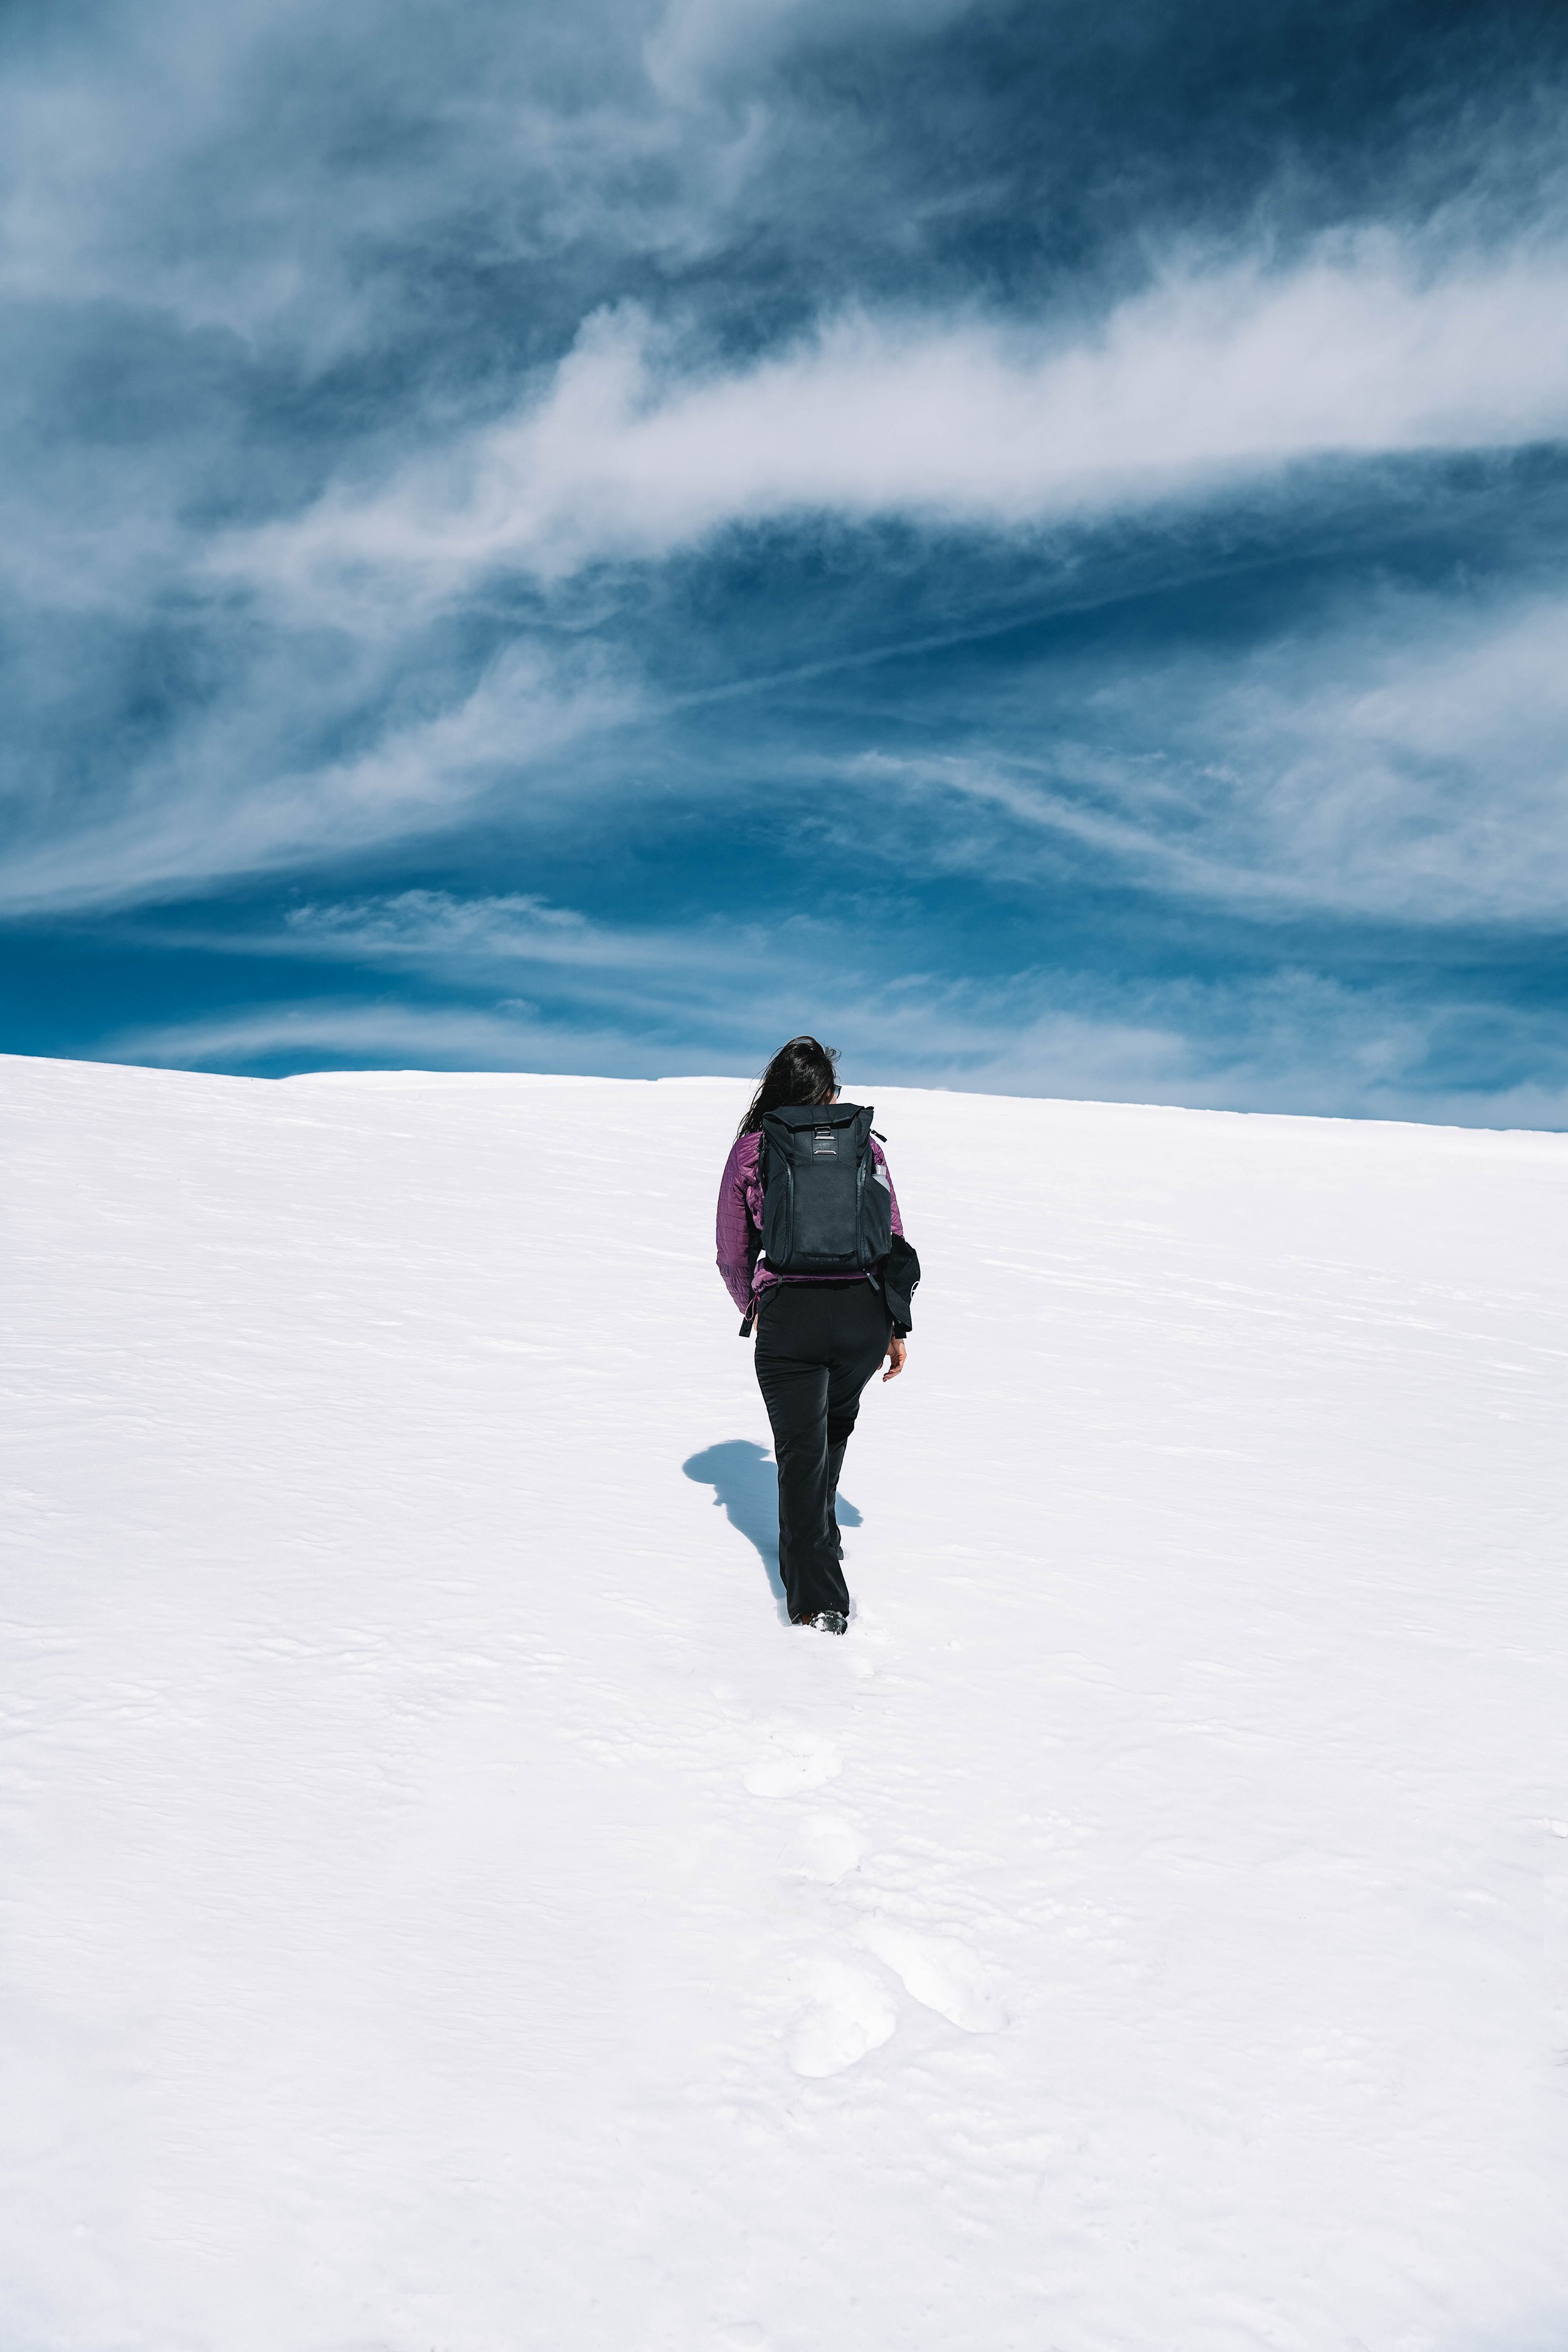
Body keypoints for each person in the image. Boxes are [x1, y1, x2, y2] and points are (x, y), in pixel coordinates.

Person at [715, 1036, 910, 1634]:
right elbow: (892, 1236)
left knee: (801, 1454)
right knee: (832, 1431)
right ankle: (822, 1540)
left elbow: (732, 1249)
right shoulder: (862, 1146)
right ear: (828, 1091)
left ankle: (819, 1602)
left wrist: (759, 1303)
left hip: (791, 1314)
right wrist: (894, 1323)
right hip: (862, 1313)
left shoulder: (755, 1148)